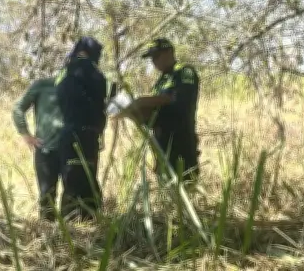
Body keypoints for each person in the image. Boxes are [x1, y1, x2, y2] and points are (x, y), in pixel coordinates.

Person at [122, 38, 200, 182]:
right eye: (152, 58)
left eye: (157, 56)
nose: (154, 62)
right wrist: (128, 112)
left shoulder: (184, 71)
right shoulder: (161, 80)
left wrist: (138, 102)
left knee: (185, 186)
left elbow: (171, 98)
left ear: (169, 52)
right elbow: (153, 111)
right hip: (161, 144)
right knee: (166, 190)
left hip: (181, 141)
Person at [55, 37, 107, 221]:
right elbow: (99, 104)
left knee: (71, 180)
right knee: (86, 179)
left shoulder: (64, 72)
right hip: (88, 133)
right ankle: (89, 219)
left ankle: (70, 221)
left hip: (69, 131)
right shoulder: (92, 72)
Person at [12, 77, 64, 221]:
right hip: (46, 150)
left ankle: (72, 236)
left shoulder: (78, 84)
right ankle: (47, 235)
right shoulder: (43, 85)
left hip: (71, 150)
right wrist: (26, 134)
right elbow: (18, 108)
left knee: (73, 197)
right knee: (47, 197)